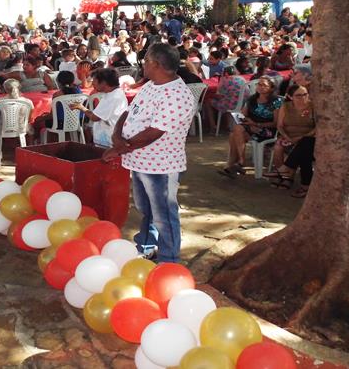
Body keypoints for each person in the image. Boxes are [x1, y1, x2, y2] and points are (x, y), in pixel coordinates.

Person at [103, 43, 196, 263]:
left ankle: (169, 259)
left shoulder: (177, 95)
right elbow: (129, 112)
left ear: (155, 64)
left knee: (164, 214)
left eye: (145, 61)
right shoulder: (151, 85)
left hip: (161, 166)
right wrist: (118, 135)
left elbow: (153, 133)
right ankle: (146, 245)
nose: (143, 65)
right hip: (139, 160)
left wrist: (118, 148)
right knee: (146, 209)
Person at [218, 77, 282, 178]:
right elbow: (243, 114)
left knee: (235, 132)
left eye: (263, 85)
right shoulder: (252, 99)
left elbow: (276, 123)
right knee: (234, 133)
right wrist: (246, 121)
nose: (260, 87)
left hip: (268, 130)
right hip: (251, 128)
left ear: (271, 88)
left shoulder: (276, 101)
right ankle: (236, 165)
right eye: (259, 84)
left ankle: (238, 163)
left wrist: (256, 124)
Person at [266, 84, 316, 195]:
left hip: (307, 137)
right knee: (279, 146)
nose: (303, 98)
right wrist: (287, 137)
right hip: (288, 135)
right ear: (290, 96)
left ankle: (284, 172)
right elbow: (279, 126)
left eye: (305, 94)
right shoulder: (286, 106)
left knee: (304, 148)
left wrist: (299, 138)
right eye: (298, 95)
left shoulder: (313, 107)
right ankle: (285, 176)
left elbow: (317, 128)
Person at [70, 68, 128, 147]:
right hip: (111, 133)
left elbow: (94, 117)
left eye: (94, 80)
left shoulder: (112, 98)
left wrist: (81, 108)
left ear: (103, 83)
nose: (92, 83)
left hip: (109, 137)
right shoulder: (116, 93)